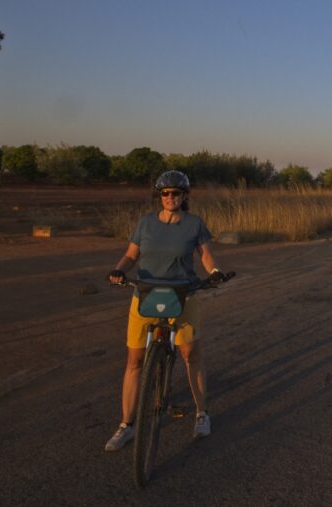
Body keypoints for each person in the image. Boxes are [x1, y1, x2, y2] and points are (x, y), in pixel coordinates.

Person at [104, 170, 226, 452]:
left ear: (184, 196)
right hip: (145, 294)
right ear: (159, 196)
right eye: (165, 193)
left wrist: (215, 272)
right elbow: (131, 254)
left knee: (190, 354)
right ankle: (126, 425)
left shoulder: (194, 224)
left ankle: (201, 413)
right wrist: (119, 270)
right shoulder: (145, 223)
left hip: (183, 294)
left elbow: (206, 255)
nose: (170, 197)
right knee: (134, 360)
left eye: (176, 193)